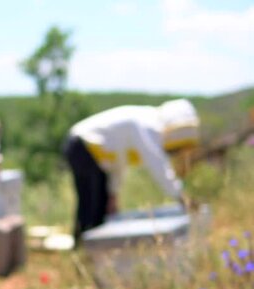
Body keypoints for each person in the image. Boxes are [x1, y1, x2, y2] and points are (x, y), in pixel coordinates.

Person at [63, 99, 200, 248]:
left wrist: (113, 194)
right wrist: (181, 197)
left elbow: (118, 162)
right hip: (82, 147)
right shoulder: (148, 126)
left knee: (100, 210)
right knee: (90, 206)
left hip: (92, 153)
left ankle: (91, 253)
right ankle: (82, 251)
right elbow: (158, 165)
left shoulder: (144, 123)